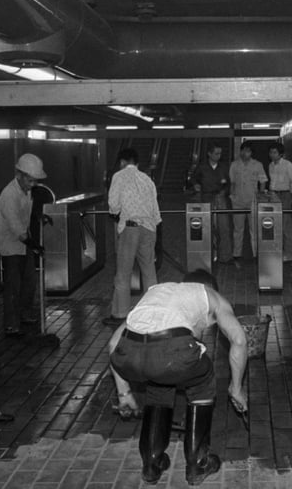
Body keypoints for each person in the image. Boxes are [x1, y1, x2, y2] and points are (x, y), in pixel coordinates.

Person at [108, 270, 248, 485]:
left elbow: (113, 345)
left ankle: (152, 463)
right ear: (209, 289)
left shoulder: (158, 292)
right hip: (172, 350)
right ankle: (198, 464)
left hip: (129, 352)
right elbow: (239, 340)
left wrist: (124, 392)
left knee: (159, 379)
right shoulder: (214, 298)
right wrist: (236, 388)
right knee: (204, 379)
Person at [104, 148, 161, 327]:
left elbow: (113, 204)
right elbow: (156, 210)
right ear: (137, 163)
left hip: (130, 228)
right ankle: (153, 312)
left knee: (123, 273)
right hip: (149, 228)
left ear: (122, 162)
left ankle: (120, 314)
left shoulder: (119, 176)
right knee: (149, 272)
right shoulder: (147, 179)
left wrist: (115, 213)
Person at [0, 153, 46, 337]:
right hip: (10, 246)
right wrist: (34, 244)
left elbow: (27, 213)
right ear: (20, 174)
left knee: (29, 283)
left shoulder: (27, 190)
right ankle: (11, 323)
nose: (32, 185)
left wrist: (39, 216)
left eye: (35, 181)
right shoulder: (9, 195)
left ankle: (25, 313)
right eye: (30, 180)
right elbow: (17, 228)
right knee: (13, 286)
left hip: (24, 243)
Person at [191, 142, 232, 265]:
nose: (218, 156)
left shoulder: (224, 167)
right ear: (209, 154)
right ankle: (207, 255)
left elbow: (228, 183)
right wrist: (196, 185)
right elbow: (193, 179)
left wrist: (224, 191)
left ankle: (225, 256)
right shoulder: (202, 167)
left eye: (220, 153)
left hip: (220, 198)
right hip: (206, 198)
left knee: (224, 228)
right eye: (216, 153)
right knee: (207, 228)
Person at [228, 141, 267, 261]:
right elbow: (232, 183)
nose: (245, 153)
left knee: (254, 229)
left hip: (252, 201)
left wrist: (260, 198)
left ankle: (255, 253)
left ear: (251, 153)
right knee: (238, 229)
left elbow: (263, 182)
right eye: (243, 150)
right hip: (238, 201)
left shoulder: (258, 165)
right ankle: (236, 254)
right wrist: (232, 196)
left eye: (248, 151)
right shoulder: (234, 165)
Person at [267, 141, 292, 262]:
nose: (272, 154)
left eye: (274, 152)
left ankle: (289, 254)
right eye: (270, 152)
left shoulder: (288, 165)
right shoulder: (270, 165)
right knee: (275, 223)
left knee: (286, 224)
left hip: (284, 194)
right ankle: (278, 250)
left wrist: (290, 193)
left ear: (280, 154)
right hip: (273, 194)